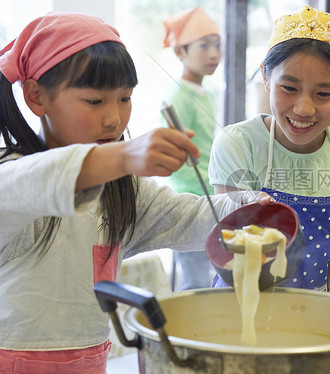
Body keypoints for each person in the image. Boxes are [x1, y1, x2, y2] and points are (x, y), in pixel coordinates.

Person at [0, 13, 268, 373]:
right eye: (95, 101)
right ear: (36, 97)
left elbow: (182, 218)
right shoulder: (14, 172)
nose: (114, 119)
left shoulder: (121, 187)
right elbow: (34, 181)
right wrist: (123, 155)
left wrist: (244, 208)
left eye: (125, 99)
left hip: (92, 356)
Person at [208, 6, 330, 299]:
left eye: (324, 94)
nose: (303, 108)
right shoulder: (237, 143)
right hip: (241, 304)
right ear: (265, 77)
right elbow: (235, 252)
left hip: (317, 307)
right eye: (289, 87)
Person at [162, 7, 222, 290]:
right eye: (204, 46)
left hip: (207, 195)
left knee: (209, 274)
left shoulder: (202, 91)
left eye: (217, 45)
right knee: (196, 281)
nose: (214, 53)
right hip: (192, 197)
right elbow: (178, 156)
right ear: (180, 52)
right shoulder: (178, 96)